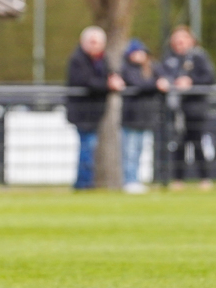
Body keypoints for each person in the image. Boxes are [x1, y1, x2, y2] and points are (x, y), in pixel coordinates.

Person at [66, 26, 124, 189]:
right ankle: (84, 184)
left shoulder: (103, 60)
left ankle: (84, 183)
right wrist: (108, 85)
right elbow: (86, 82)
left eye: (97, 43)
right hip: (82, 114)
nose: (95, 46)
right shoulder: (77, 60)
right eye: (91, 42)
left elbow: (111, 74)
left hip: (96, 113)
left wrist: (114, 80)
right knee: (87, 149)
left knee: (89, 149)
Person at [161, 26, 216, 190]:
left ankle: (204, 179)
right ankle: (178, 180)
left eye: (183, 39)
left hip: (195, 109)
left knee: (197, 143)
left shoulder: (199, 56)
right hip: (175, 109)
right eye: (176, 40)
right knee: (178, 145)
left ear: (191, 40)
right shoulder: (169, 58)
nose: (179, 43)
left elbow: (210, 77)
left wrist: (190, 82)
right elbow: (162, 75)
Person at [120, 39, 167, 194]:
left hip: (146, 117)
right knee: (130, 151)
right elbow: (139, 85)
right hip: (131, 117)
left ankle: (136, 180)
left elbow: (164, 78)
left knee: (139, 150)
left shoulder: (153, 67)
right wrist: (156, 85)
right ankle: (129, 181)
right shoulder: (127, 69)